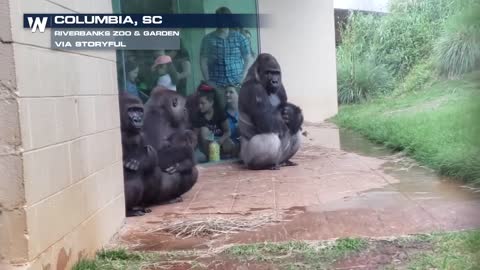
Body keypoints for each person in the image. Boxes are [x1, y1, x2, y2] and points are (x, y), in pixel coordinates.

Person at [200, 6, 253, 109]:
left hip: (237, 84)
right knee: (220, 113)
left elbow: (249, 58)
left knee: (239, 112)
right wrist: (208, 80)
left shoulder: (240, 38)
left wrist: (243, 77)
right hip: (217, 85)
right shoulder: (208, 39)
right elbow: (203, 60)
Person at [191, 84, 237, 160]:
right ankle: (209, 157)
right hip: (206, 144)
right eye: (199, 103)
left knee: (230, 144)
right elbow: (195, 136)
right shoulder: (197, 116)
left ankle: (225, 157)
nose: (200, 106)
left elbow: (228, 132)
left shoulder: (219, 113)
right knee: (203, 130)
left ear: (211, 103)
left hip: (219, 141)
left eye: (203, 103)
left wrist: (219, 141)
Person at [225, 86, 240, 155]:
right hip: (229, 149)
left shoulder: (244, 111)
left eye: (231, 92)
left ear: (238, 94)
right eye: (226, 92)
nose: (227, 95)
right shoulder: (222, 114)